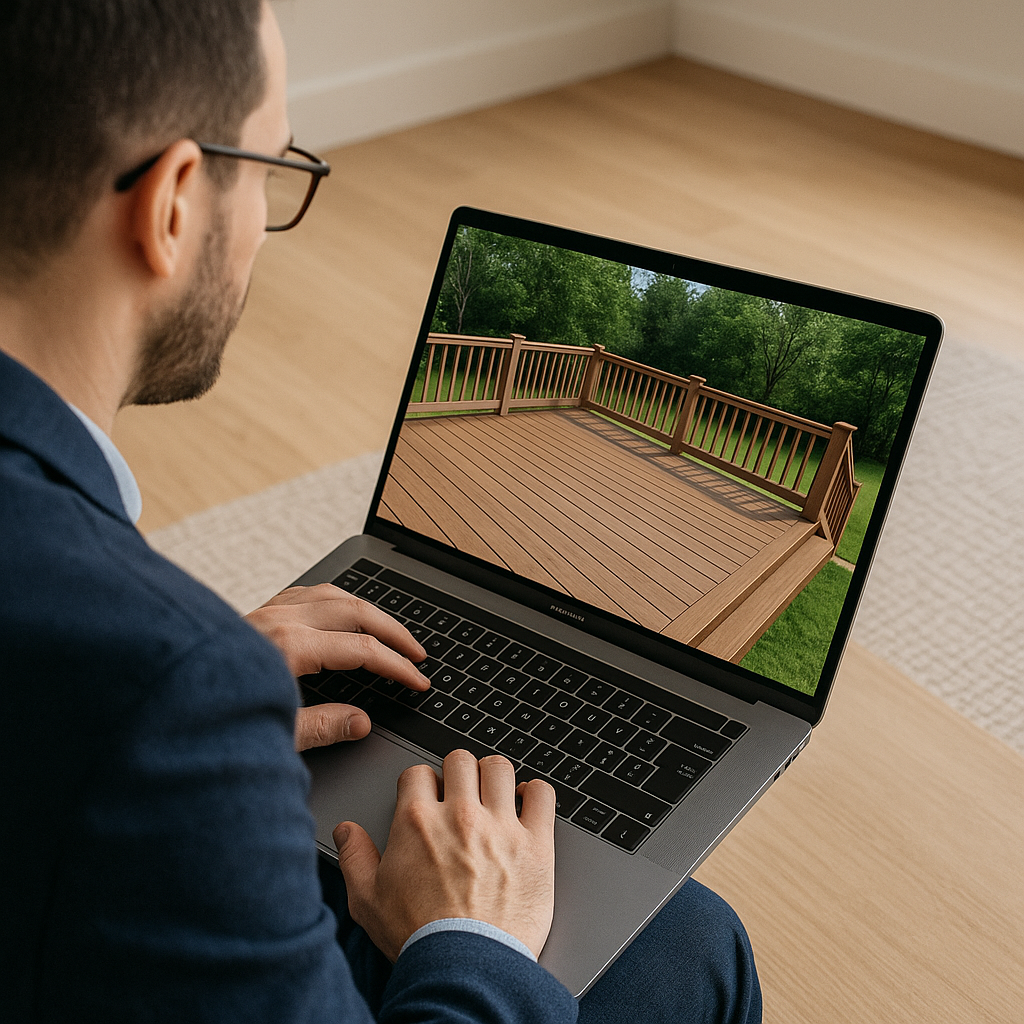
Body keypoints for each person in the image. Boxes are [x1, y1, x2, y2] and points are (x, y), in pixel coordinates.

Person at [0, 2, 762, 1021]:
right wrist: (472, 936)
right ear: (175, 201)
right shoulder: (164, 684)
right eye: (270, 169)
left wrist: (188, 675)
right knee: (694, 946)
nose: (267, 218)